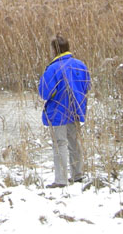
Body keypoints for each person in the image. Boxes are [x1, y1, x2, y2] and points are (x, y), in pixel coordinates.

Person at [38, 34, 91, 188]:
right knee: (74, 142)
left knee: (59, 144)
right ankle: (78, 175)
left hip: (57, 112)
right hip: (75, 109)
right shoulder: (80, 65)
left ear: (55, 50)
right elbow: (87, 86)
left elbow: (44, 92)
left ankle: (60, 180)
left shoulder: (53, 68)